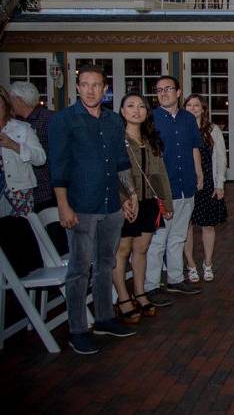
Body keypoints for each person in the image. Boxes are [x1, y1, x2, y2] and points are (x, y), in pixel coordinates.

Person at [49, 65, 140, 354]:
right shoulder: (64, 120)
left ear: (105, 89)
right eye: (85, 84)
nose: (90, 90)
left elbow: (121, 161)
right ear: (78, 87)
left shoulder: (113, 121)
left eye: (96, 85)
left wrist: (129, 195)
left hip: (111, 204)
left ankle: (104, 318)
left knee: (106, 265)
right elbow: (58, 166)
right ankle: (78, 329)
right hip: (81, 206)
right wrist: (63, 205)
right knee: (79, 270)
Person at [113, 93, 175, 323]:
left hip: (149, 201)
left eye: (141, 106)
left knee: (142, 248)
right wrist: (122, 200)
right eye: (130, 106)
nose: (136, 110)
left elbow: (160, 174)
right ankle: (123, 298)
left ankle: (140, 292)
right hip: (127, 203)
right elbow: (111, 174)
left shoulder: (150, 140)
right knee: (122, 250)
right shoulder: (116, 139)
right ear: (121, 111)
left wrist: (166, 202)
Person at [144, 75, 203, 299]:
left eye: (168, 89)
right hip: (162, 188)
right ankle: (151, 285)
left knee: (179, 236)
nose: (163, 93)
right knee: (159, 239)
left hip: (186, 183)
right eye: (159, 90)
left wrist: (199, 173)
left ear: (178, 92)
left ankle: (176, 278)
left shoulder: (188, 118)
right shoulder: (151, 120)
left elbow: (194, 147)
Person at [183, 94, 227, 283]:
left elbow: (220, 158)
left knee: (207, 225)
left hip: (208, 182)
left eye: (196, 105)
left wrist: (220, 183)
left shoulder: (212, 130)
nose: (193, 108)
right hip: (185, 182)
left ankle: (207, 263)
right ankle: (191, 264)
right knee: (186, 226)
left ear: (203, 109)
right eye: (189, 105)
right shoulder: (181, 129)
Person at [8, 81, 55, 211]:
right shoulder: (16, 123)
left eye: (10, 99)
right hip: (27, 189)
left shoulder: (50, 119)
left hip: (48, 189)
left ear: (18, 100)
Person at [0, 85, 46, 217]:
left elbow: (40, 158)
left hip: (19, 194)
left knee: (18, 234)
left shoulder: (22, 128)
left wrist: (13, 145)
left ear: (6, 105)